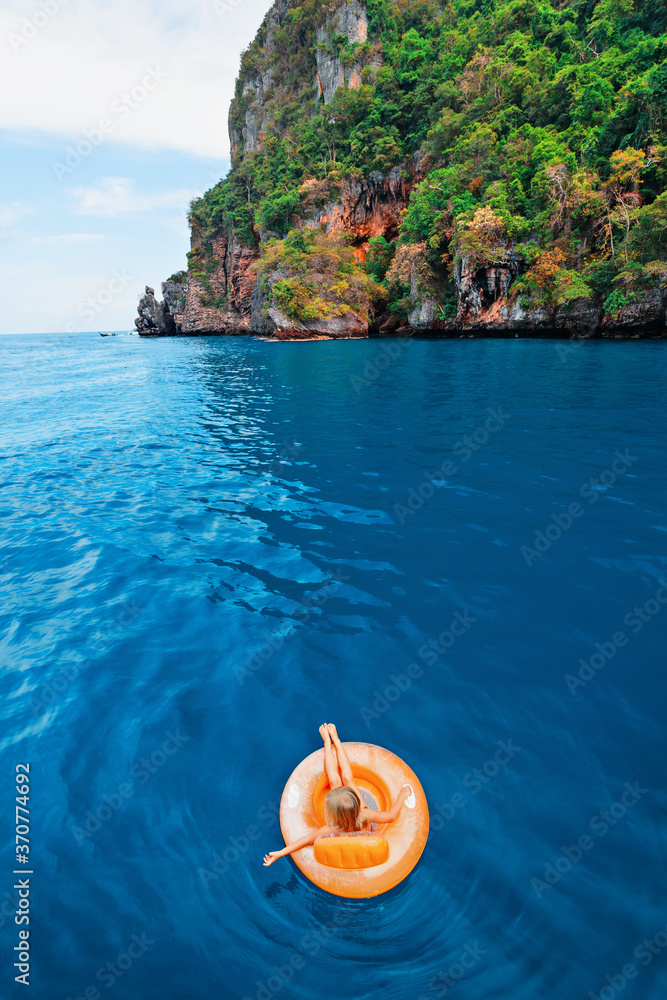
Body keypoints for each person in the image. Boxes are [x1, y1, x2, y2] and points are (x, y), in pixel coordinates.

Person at [263, 724, 412, 866]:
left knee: (336, 779)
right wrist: (403, 794)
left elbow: (307, 840)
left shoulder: (333, 828)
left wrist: (281, 853)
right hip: (359, 820)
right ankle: (333, 741)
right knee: (347, 778)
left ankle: (330, 742)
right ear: (357, 803)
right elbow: (391, 816)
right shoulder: (365, 814)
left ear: (334, 815)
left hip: (350, 818)